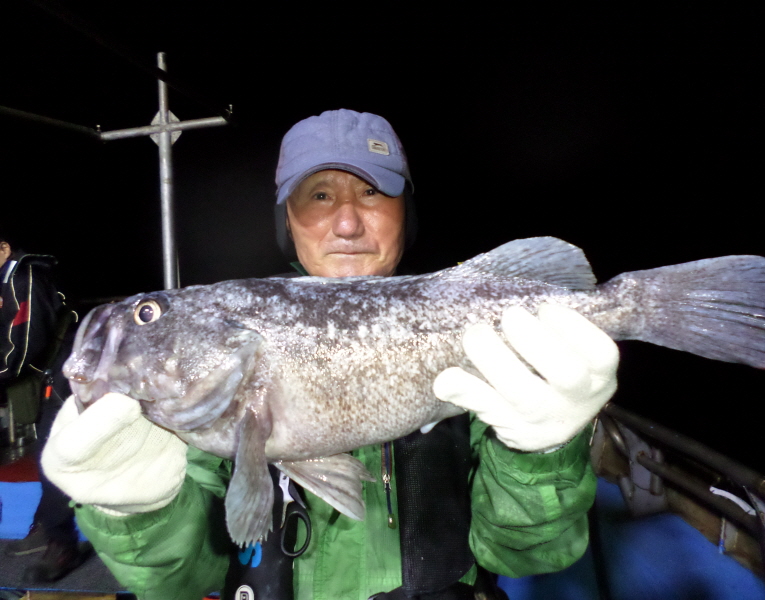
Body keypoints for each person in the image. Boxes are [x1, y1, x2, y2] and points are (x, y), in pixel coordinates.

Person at [42, 110, 619, 600]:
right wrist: (134, 511)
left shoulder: (494, 341)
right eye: (319, 196)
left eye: (371, 192)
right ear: (287, 220)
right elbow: (180, 582)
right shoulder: (187, 412)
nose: (347, 223)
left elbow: (529, 556)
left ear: (404, 212)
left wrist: (544, 454)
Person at [0, 232, 85, 582]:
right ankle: (46, 521)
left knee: (55, 450)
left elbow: (23, 346)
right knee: (42, 446)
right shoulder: (7, 279)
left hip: (68, 370)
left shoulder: (25, 276)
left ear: (3, 247)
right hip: (46, 373)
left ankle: (62, 543)